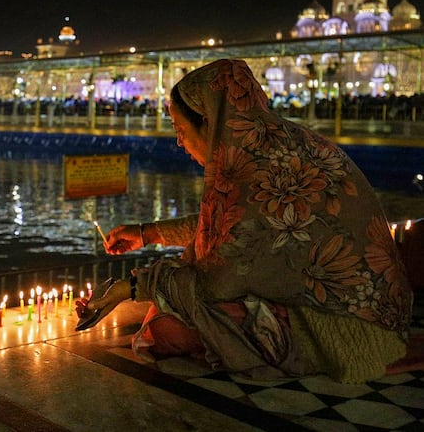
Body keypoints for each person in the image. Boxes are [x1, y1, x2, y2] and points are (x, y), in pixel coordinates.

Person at [76, 58, 412, 383]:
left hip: (342, 335)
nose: (179, 142)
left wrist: (131, 287)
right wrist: (147, 233)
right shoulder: (282, 145)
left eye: (180, 129)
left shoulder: (255, 169)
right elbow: (240, 226)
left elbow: (218, 282)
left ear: (212, 121)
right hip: (382, 314)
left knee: (166, 331)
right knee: (172, 308)